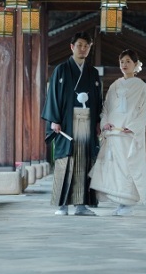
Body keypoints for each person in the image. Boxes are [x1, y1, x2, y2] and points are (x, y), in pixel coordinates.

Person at [42, 31, 103, 216]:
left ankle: (81, 205)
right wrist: (54, 119)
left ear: (89, 48)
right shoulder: (61, 70)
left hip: (87, 122)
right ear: (72, 47)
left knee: (83, 162)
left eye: (86, 46)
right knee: (65, 161)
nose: (83, 49)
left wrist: (99, 121)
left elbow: (98, 100)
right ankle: (62, 206)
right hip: (66, 123)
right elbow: (52, 96)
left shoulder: (92, 73)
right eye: (80, 45)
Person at [89, 49, 146, 216]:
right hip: (114, 134)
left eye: (128, 62)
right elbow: (106, 108)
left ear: (135, 64)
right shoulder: (115, 85)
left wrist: (132, 126)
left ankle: (128, 204)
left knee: (128, 168)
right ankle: (120, 203)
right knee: (115, 169)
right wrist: (105, 123)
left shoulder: (140, 86)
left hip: (129, 134)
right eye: (122, 62)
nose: (124, 65)